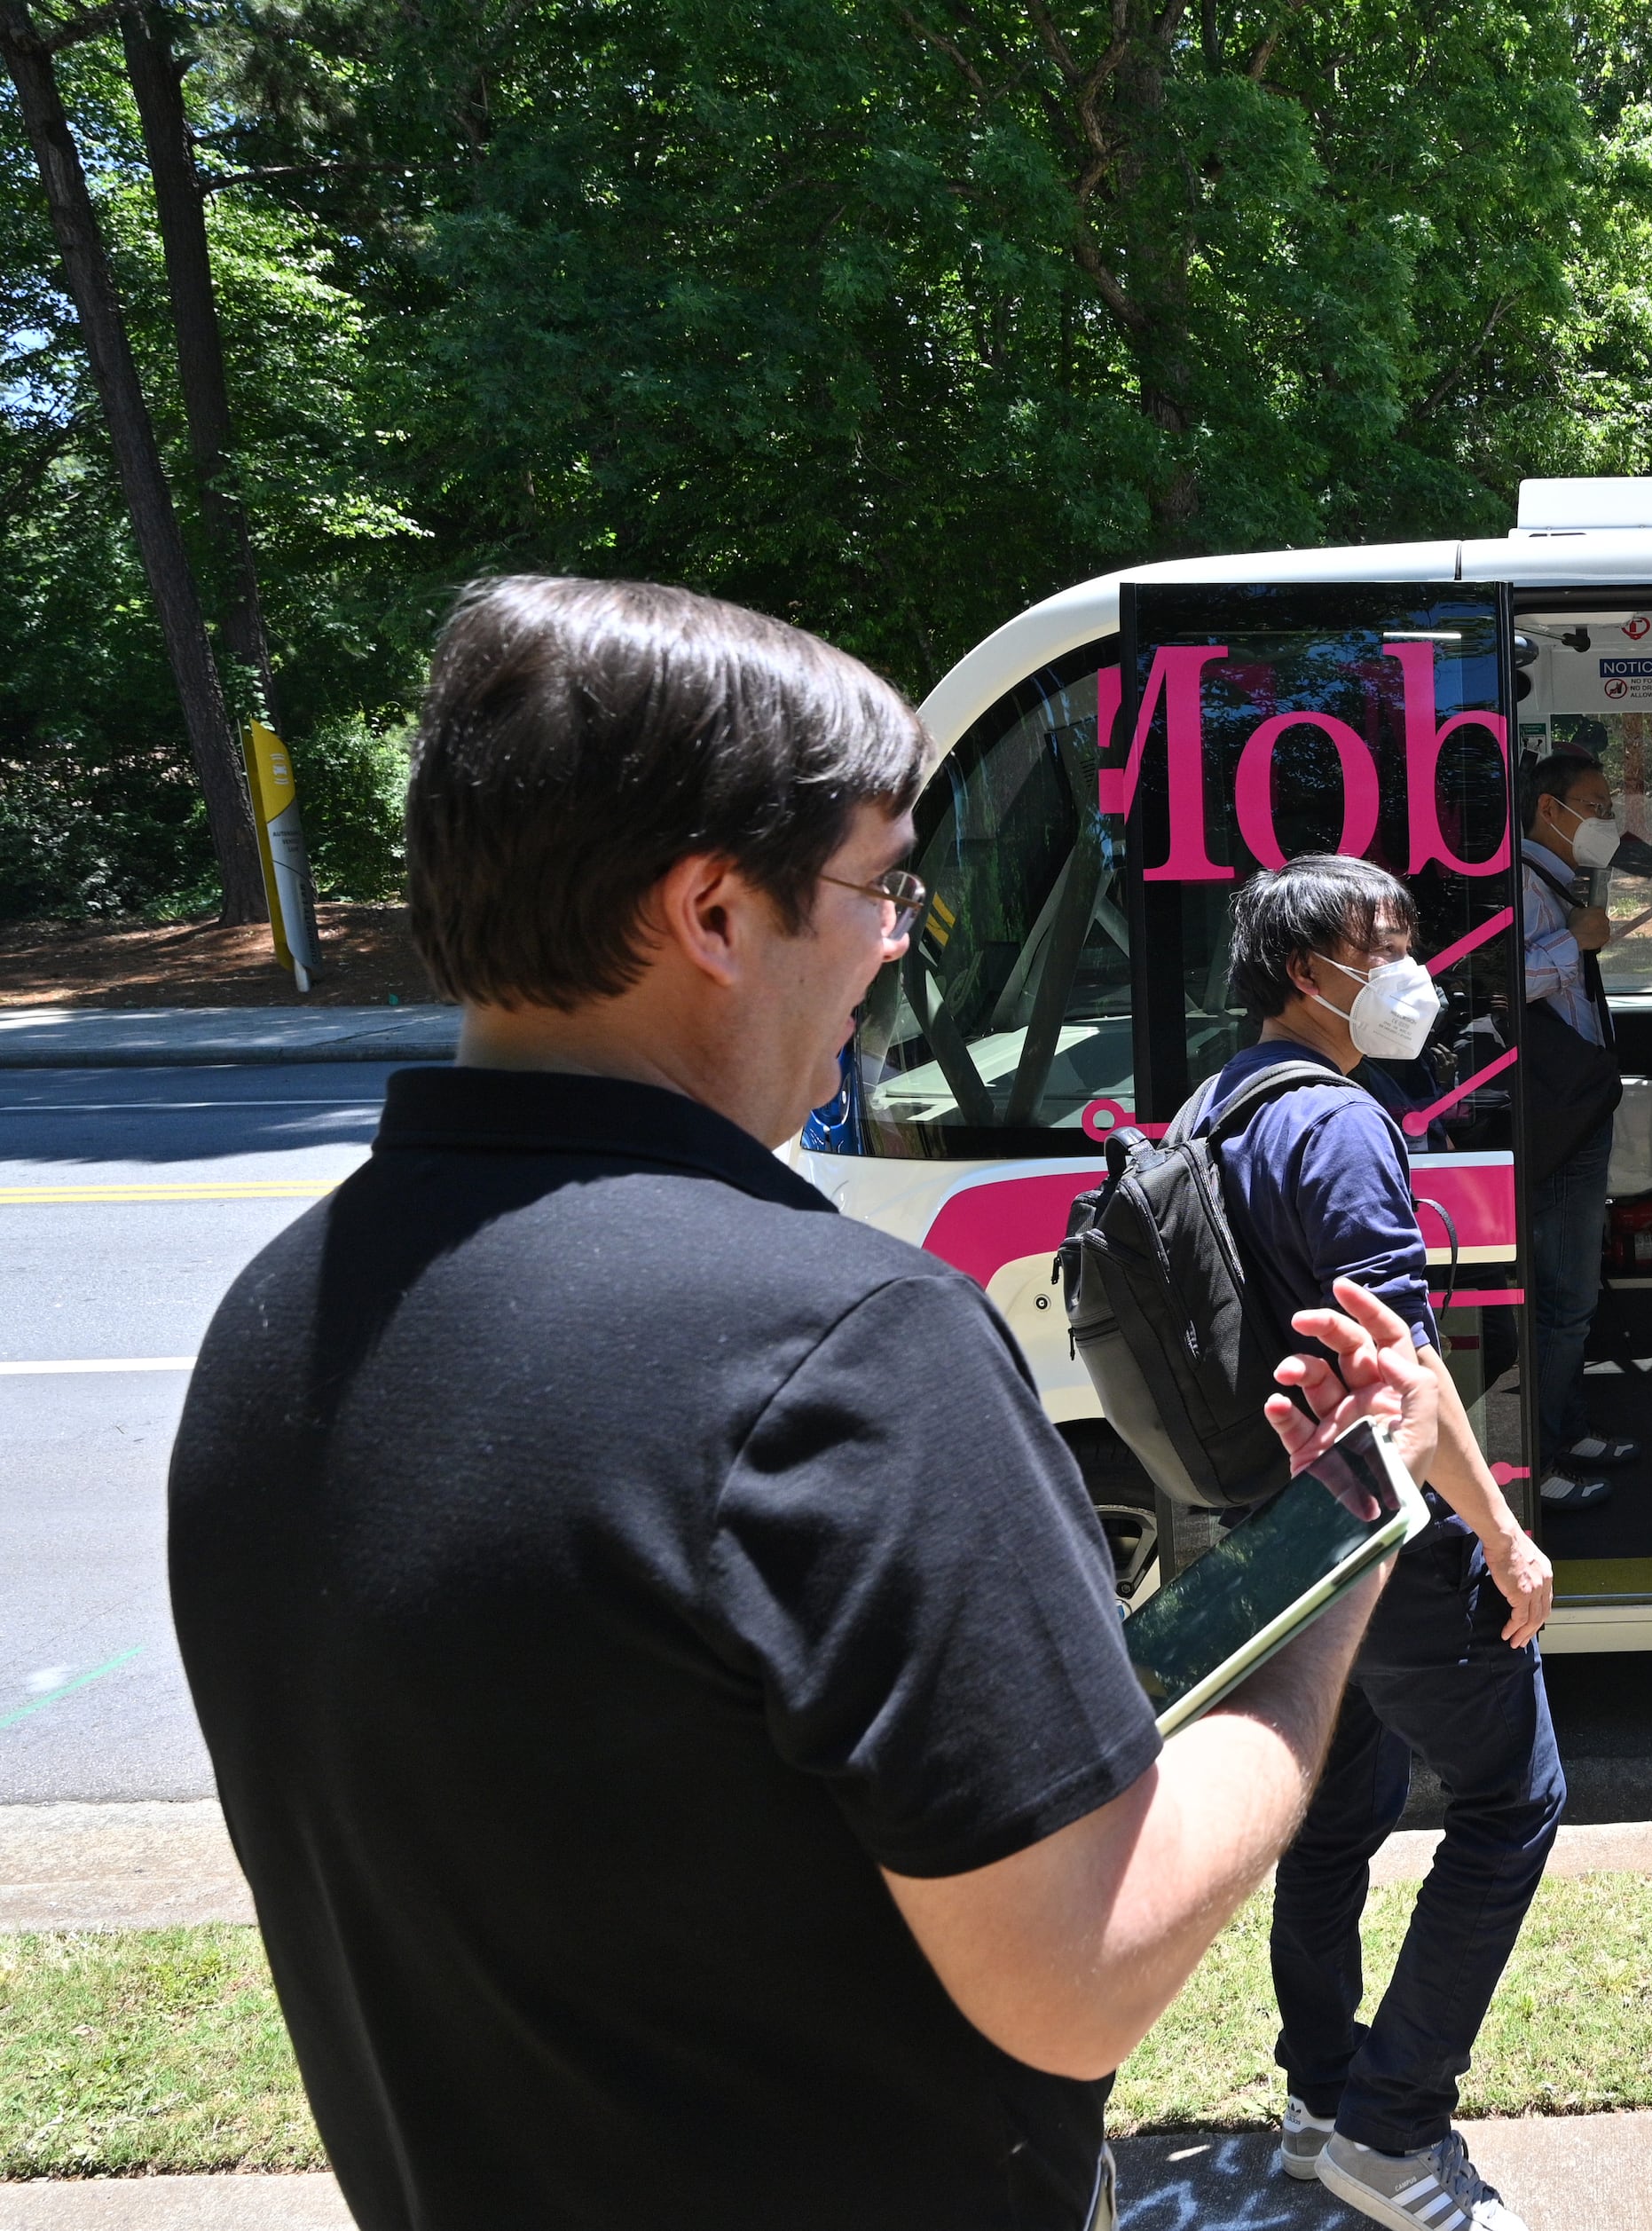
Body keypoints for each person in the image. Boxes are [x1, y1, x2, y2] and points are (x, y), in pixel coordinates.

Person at [166, 576, 1428, 2231]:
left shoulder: (273, 1320)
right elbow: (1081, 1963)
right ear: (711, 911)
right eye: (881, 887)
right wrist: (1345, 1565)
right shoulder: (843, 1342)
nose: (897, 943)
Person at [1186, 854, 1564, 2231]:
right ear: (1308, 970)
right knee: (1513, 1799)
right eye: (1381, 941)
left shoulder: (1219, 1102)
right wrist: (1507, 1536)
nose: (1410, 964)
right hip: (1383, 1530)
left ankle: (1317, 2097)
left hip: (1287, 1534)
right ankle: (1391, 2133)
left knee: (1336, 1812)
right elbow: (1409, 1378)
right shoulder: (1338, 1125)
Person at [1516, 752, 1631, 1510]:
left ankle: (1571, 1425)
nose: (1605, 819)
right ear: (1550, 808)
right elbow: (1494, 980)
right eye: (1594, 804)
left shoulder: (1559, 882)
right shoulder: (1521, 885)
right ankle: (1543, 1452)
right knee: (1562, 1298)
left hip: (1578, 1101)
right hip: (1551, 1111)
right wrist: (1574, 944)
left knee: (1577, 1292)